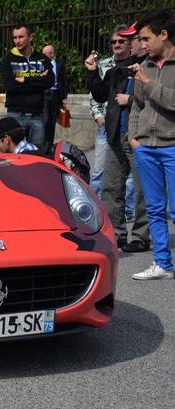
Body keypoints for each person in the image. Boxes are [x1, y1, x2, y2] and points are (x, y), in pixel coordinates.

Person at [86, 24, 151, 253]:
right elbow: (102, 94)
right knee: (110, 188)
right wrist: (92, 71)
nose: (119, 45)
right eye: (115, 41)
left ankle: (142, 236)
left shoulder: (149, 66)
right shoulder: (117, 68)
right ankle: (116, 234)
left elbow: (156, 98)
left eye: (124, 41)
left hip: (139, 136)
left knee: (143, 190)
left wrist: (130, 99)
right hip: (114, 134)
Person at [127, 9, 175, 280]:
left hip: (173, 147)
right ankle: (163, 265)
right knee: (154, 209)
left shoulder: (147, 72)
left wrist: (149, 83)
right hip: (145, 147)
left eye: (146, 38)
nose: (142, 45)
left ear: (164, 34)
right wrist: (133, 138)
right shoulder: (144, 65)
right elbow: (137, 106)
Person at [0, 24, 55, 149]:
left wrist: (25, 79)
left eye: (21, 37)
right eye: (15, 38)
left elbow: (50, 82)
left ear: (30, 37)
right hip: (16, 114)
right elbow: (11, 87)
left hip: (37, 115)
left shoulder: (42, 59)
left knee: (36, 154)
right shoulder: (8, 60)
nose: (17, 41)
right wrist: (38, 81)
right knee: (15, 155)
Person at [41, 45, 69, 148]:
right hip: (44, 95)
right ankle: (43, 143)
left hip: (55, 96)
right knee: (46, 119)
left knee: (52, 121)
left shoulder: (59, 64)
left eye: (45, 53)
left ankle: (49, 144)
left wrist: (64, 97)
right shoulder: (40, 64)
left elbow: (64, 81)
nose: (43, 55)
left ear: (52, 54)